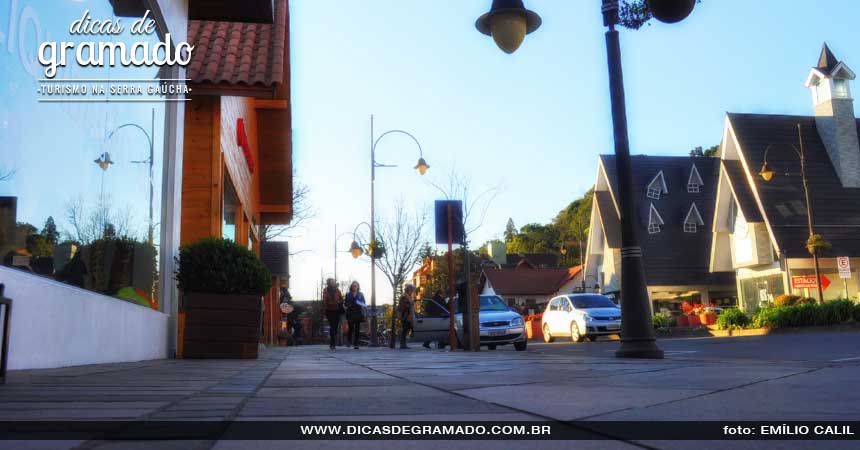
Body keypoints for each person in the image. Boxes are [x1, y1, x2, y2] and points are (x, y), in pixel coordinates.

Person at [344, 281, 367, 349]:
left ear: (358, 287)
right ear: (351, 287)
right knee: (351, 328)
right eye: (353, 286)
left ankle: (356, 344)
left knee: (357, 328)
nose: (354, 287)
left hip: (358, 312)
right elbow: (345, 303)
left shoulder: (360, 294)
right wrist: (348, 304)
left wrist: (358, 302)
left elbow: (364, 304)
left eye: (356, 286)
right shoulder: (348, 294)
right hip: (350, 312)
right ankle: (349, 341)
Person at [322, 278, 344, 350]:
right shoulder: (326, 290)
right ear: (329, 283)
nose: (334, 283)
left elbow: (341, 299)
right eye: (332, 282)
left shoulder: (337, 290)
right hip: (329, 310)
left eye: (334, 282)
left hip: (337, 310)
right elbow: (324, 300)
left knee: (335, 327)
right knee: (332, 325)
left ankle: (333, 341)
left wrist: (339, 302)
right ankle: (332, 343)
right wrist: (331, 303)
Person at [397, 284, 417, 349]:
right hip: (405, 316)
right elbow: (404, 306)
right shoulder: (404, 297)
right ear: (409, 290)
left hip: (408, 316)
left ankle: (403, 344)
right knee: (405, 330)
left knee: (406, 330)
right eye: (412, 290)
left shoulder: (408, 297)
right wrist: (411, 303)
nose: (412, 292)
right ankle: (403, 345)